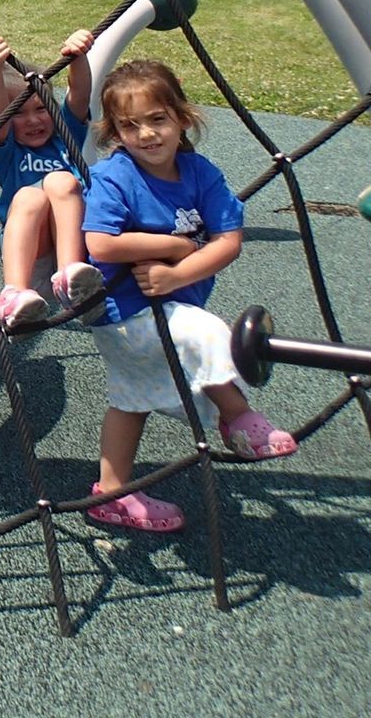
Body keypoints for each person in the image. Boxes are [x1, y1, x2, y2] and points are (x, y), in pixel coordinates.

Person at [81, 59, 297, 534]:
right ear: (114, 131)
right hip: (124, 309)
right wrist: (173, 247)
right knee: (205, 334)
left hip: (169, 299)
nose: (146, 135)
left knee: (131, 398)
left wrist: (177, 276)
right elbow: (100, 243)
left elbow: (228, 240)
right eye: (129, 125)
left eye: (157, 119)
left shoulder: (200, 173)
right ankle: (237, 417)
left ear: (182, 117)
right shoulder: (115, 175)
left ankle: (111, 492)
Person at [0, 29, 104, 329]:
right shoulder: (7, 152)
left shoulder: (65, 136)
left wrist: (78, 58)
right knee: (30, 195)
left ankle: (70, 272)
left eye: (41, 109)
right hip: (32, 256)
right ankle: (14, 294)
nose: (34, 120)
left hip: (75, 251)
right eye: (19, 114)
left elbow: (80, 95)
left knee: (62, 182)